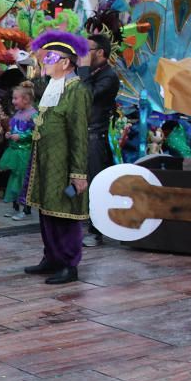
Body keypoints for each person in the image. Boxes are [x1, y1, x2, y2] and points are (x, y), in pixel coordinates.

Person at [24, 30, 91, 285]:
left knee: (64, 213)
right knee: (47, 211)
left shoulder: (77, 91)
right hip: (46, 162)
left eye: (50, 57)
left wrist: (78, 173)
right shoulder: (53, 86)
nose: (45, 61)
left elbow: (79, 134)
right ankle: (51, 257)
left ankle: (68, 264)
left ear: (66, 62)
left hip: (63, 165)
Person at [77, 33, 119, 247]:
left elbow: (87, 95)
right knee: (73, 183)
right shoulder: (90, 72)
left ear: (100, 53)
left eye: (87, 49)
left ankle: (96, 231)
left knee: (94, 185)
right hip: (80, 136)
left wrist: (83, 68)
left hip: (95, 138)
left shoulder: (109, 77)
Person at [0, 81, 37, 221]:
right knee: (14, 179)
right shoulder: (18, 113)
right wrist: (10, 134)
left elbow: (36, 133)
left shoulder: (33, 115)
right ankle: (15, 207)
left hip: (25, 153)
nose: (13, 101)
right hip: (14, 151)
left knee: (22, 180)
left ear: (25, 100)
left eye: (15, 98)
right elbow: (14, 129)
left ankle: (25, 209)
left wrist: (21, 136)